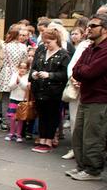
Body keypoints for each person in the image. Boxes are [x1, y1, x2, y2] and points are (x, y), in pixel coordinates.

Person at [69, 13, 107, 180]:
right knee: (78, 134)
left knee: (93, 136)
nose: (88, 28)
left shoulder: (105, 49)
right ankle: (82, 166)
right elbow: (76, 70)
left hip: (99, 99)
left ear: (104, 29)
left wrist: (82, 71)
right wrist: (82, 71)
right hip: (86, 96)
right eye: (89, 25)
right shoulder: (90, 47)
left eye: (93, 26)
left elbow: (90, 72)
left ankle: (93, 170)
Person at [29, 28, 70, 153]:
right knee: (42, 115)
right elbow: (33, 68)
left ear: (56, 40)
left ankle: (49, 140)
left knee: (52, 116)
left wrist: (50, 75)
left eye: (48, 42)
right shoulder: (41, 52)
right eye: (44, 42)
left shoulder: (64, 55)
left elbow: (65, 74)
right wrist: (34, 74)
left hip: (54, 91)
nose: (46, 45)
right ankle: (42, 139)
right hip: (39, 90)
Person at [0, 25, 28, 130]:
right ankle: (16, 121)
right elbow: (24, 61)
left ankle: (6, 122)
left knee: (5, 99)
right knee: (16, 98)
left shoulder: (4, 45)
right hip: (18, 73)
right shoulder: (23, 47)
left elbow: (0, 61)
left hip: (5, 73)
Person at [4, 61, 29, 142]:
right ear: (18, 68)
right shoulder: (14, 75)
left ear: (27, 69)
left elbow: (26, 87)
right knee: (12, 117)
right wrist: (16, 82)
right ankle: (11, 133)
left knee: (20, 118)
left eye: (24, 68)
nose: (22, 70)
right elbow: (10, 87)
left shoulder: (27, 76)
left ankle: (18, 134)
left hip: (22, 100)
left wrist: (20, 81)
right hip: (13, 98)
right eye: (21, 68)